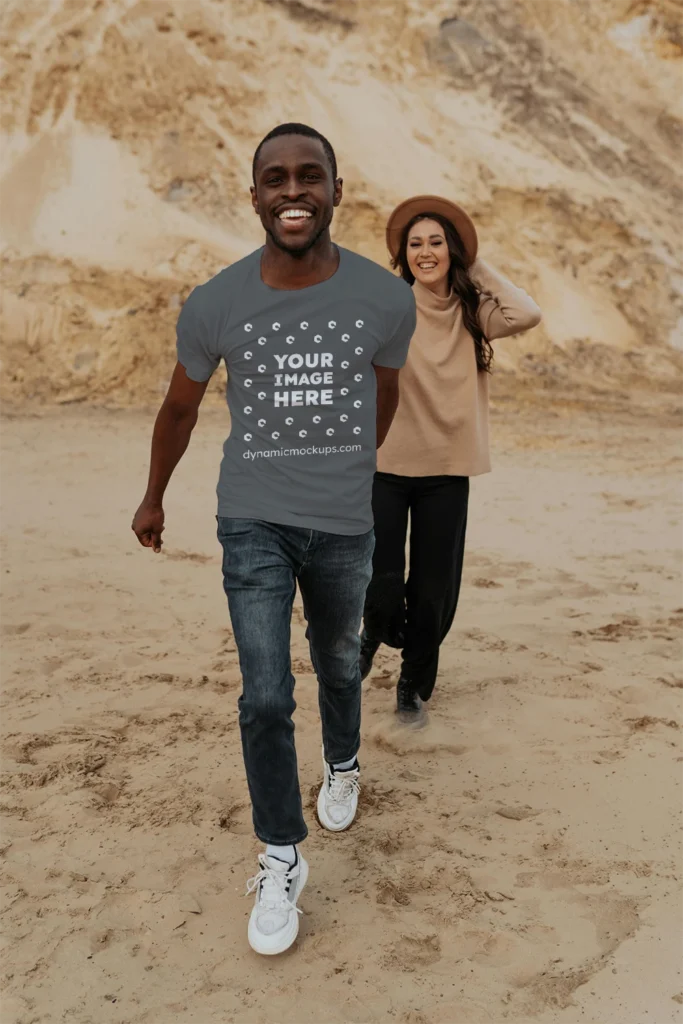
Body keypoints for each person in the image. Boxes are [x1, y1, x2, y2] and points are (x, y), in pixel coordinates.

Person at [131, 124, 416, 955]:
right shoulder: (215, 301)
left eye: (309, 177)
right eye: (275, 179)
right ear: (253, 194)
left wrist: (355, 470)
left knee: (336, 662)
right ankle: (281, 853)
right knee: (262, 693)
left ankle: (341, 762)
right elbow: (180, 408)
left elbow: (383, 394)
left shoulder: (382, 298)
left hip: (341, 523)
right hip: (250, 517)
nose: (293, 192)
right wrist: (153, 497)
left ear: (335, 189)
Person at [359, 195, 542, 721]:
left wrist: (474, 261)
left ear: (452, 249)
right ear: (403, 254)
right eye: (415, 244)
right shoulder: (388, 305)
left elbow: (526, 313)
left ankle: (411, 688)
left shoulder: (474, 310)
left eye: (436, 242)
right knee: (381, 577)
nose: (425, 252)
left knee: (433, 588)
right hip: (386, 467)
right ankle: (372, 629)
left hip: (446, 470)